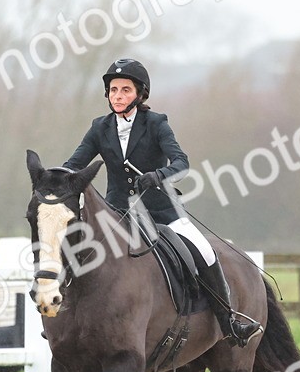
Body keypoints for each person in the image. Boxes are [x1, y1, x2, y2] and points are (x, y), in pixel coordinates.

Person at [62, 58, 262, 347]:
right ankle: (66, 318)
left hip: (162, 211)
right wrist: (56, 178)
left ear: (140, 94)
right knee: (77, 251)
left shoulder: (156, 124)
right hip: (118, 213)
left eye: (125, 90)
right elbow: (74, 164)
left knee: (204, 252)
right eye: (113, 90)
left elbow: (181, 163)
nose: (118, 96)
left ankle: (228, 320)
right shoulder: (99, 128)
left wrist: (158, 175)